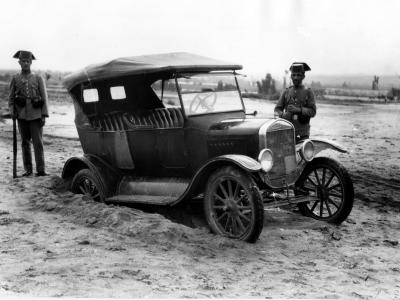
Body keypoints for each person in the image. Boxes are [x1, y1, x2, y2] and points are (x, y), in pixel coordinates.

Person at [8, 50, 49, 176]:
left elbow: (44, 97)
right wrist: (12, 112)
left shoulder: (38, 78)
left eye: (28, 61)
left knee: (38, 143)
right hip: (21, 115)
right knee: (25, 143)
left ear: (31, 62)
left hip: (36, 115)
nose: (25, 64)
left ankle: (41, 170)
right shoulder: (15, 78)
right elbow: (10, 98)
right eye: (23, 61)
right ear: (19, 63)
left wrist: (44, 115)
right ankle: (28, 169)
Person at [274, 62, 316, 142]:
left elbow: (313, 112)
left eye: (298, 75)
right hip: (287, 130)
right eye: (293, 75)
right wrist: (282, 115)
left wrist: (299, 110)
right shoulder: (286, 92)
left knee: (303, 153)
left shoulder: (308, 92)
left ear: (303, 76)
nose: (296, 78)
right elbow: (277, 109)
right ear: (291, 76)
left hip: (303, 133)